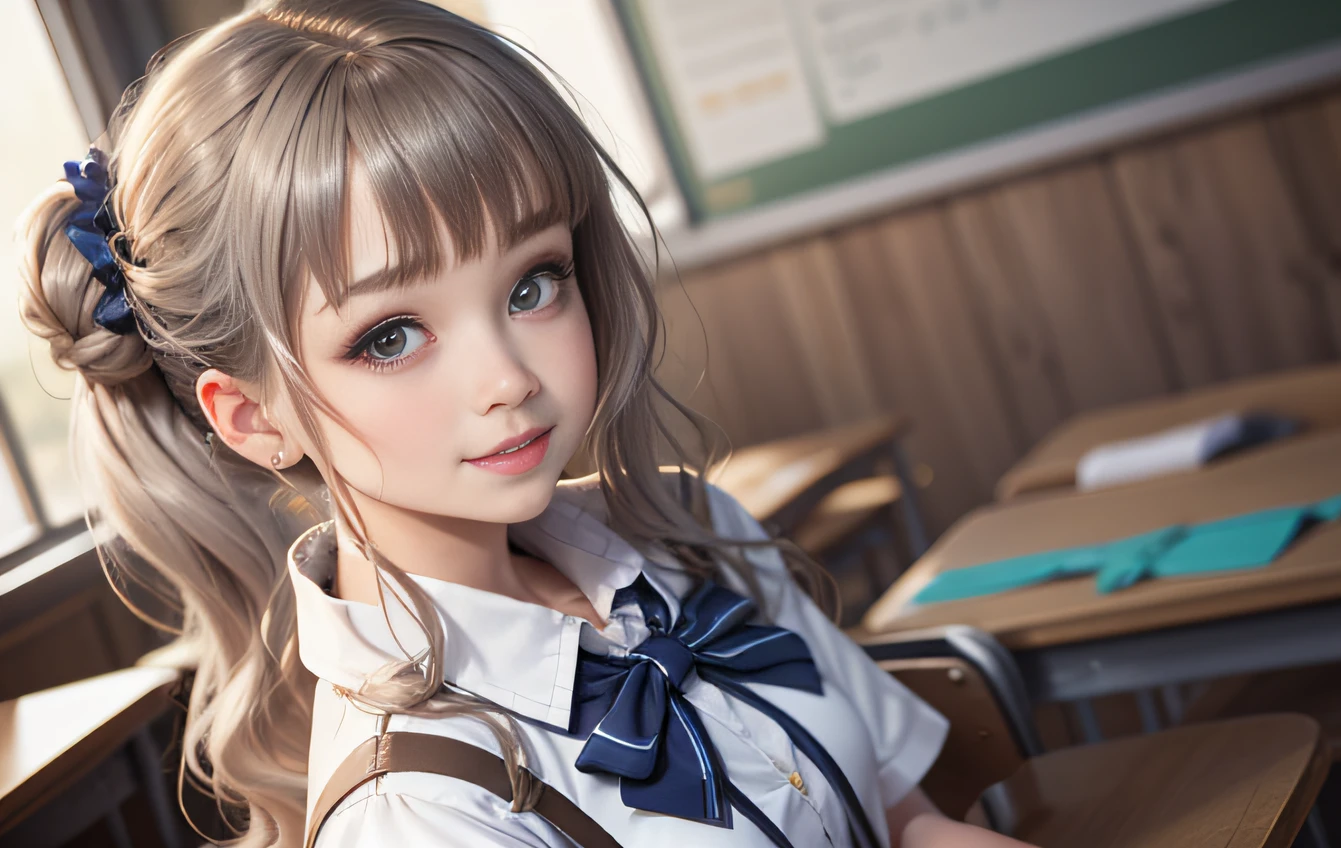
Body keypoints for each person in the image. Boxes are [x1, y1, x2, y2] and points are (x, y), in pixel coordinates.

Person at [17, 2, 1036, 845]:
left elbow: (903, 811)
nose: (506, 377)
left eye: (532, 282)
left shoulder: (688, 526)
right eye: (389, 336)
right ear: (252, 418)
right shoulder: (411, 810)